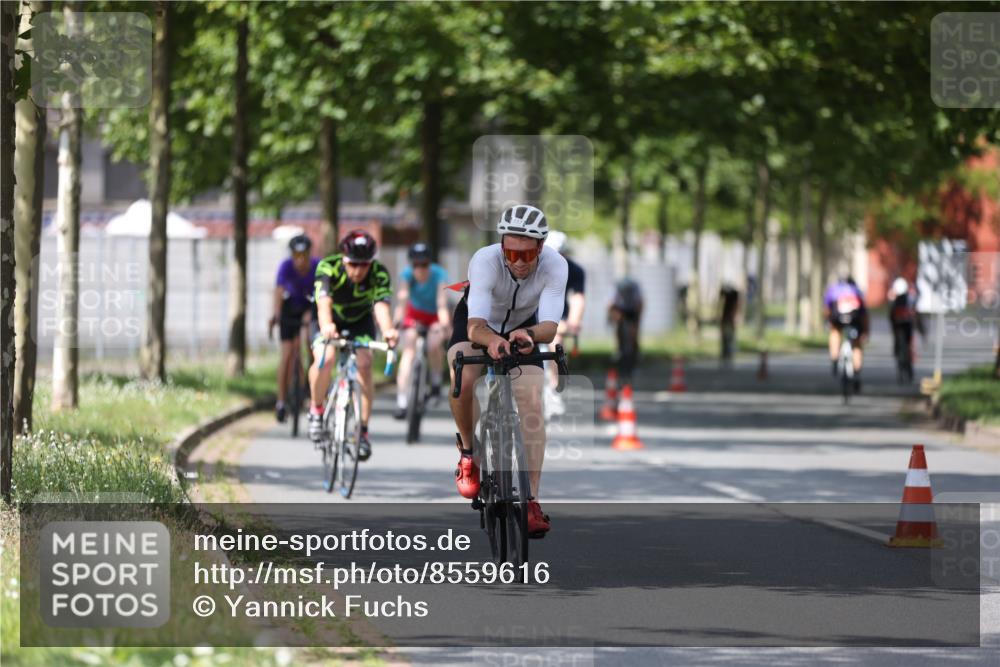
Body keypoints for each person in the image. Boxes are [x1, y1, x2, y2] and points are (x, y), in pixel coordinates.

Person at [448, 204, 567, 538]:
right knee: (463, 378)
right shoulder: (485, 261)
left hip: (524, 329)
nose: (517, 261)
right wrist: (493, 341)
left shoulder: (556, 265)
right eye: (510, 252)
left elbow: (550, 326)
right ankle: (469, 454)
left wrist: (528, 336)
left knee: (531, 402)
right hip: (479, 324)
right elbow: (473, 327)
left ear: (540, 248)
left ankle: (531, 499)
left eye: (525, 254)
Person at [308, 230, 399, 461]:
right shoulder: (328, 267)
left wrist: (388, 329)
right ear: (343, 259)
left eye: (364, 265)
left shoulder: (378, 273)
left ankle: (362, 431)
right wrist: (327, 325)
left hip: (360, 321)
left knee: (365, 364)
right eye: (353, 265)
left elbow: (380, 305)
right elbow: (323, 302)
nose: (358, 271)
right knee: (326, 358)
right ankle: (317, 411)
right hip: (328, 319)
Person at [392, 242, 451, 420]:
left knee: (434, 345)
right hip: (414, 316)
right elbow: (402, 300)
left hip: (434, 316)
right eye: (416, 265)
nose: (420, 269)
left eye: (424, 265)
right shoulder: (406, 275)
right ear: (412, 265)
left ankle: (435, 383)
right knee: (409, 352)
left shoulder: (439, 274)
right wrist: (395, 323)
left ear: (429, 264)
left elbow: (442, 302)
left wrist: (445, 324)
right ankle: (402, 402)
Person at [269, 234, 319, 423]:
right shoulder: (285, 267)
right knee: (287, 354)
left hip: (309, 308)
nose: (300, 260)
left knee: (310, 342)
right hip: (290, 310)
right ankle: (281, 401)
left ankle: (310, 385)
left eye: (304, 255)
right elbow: (279, 291)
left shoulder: (316, 267)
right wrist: (276, 314)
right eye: (296, 255)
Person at [541, 231, 585, 416]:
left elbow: (577, 297)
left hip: (557, 316)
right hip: (531, 313)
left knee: (557, 343)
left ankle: (554, 389)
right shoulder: (535, 266)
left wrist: (574, 321)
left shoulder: (575, 270)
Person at [824, 275, 869, 391]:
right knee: (857, 345)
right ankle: (857, 373)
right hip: (854, 318)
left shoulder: (833, 289)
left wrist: (828, 323)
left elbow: (827, 309)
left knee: (835, 332)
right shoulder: (857, 291)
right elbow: (864, 314)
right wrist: (865, 331)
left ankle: (834, 359)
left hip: (838, 317)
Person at [608, 277, 644, 383]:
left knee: (633, 334)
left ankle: (635, 354)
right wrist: (613, 319)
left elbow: (640, 306)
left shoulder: (635, 290)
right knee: (619, 328)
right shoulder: (616, 290)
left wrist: (636, 323)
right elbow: (610, 305)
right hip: (621, 309)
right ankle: (618, 348)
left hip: (633, 310)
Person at [887, 277, 925, 365]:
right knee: (908, 340)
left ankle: (900, 352)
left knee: (900, 338)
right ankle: (907, 353)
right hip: (906, 323)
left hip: (900, 324)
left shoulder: (894, 298)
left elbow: (891, 315)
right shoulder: (908, 297)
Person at [718, 282, 740, 368]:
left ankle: (728, 352)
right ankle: (726, 352)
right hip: (727, 318)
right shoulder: (733, 295)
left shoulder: (734, 295)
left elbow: (736, 306)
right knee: (726, 336)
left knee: (728, 336)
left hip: (729, 318)